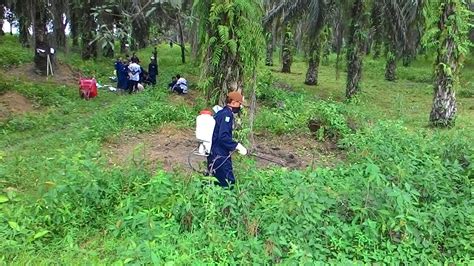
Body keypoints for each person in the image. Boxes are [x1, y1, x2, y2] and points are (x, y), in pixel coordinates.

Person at [207, 91, 248, 187]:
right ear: (233, 102)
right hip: (219, 154)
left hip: (213, 152)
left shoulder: (221, 112)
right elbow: (223, 137)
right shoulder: (227, 115)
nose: (240, 107)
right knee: (228, 182)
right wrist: (237, 146)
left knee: (215, 181)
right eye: (239, 104)